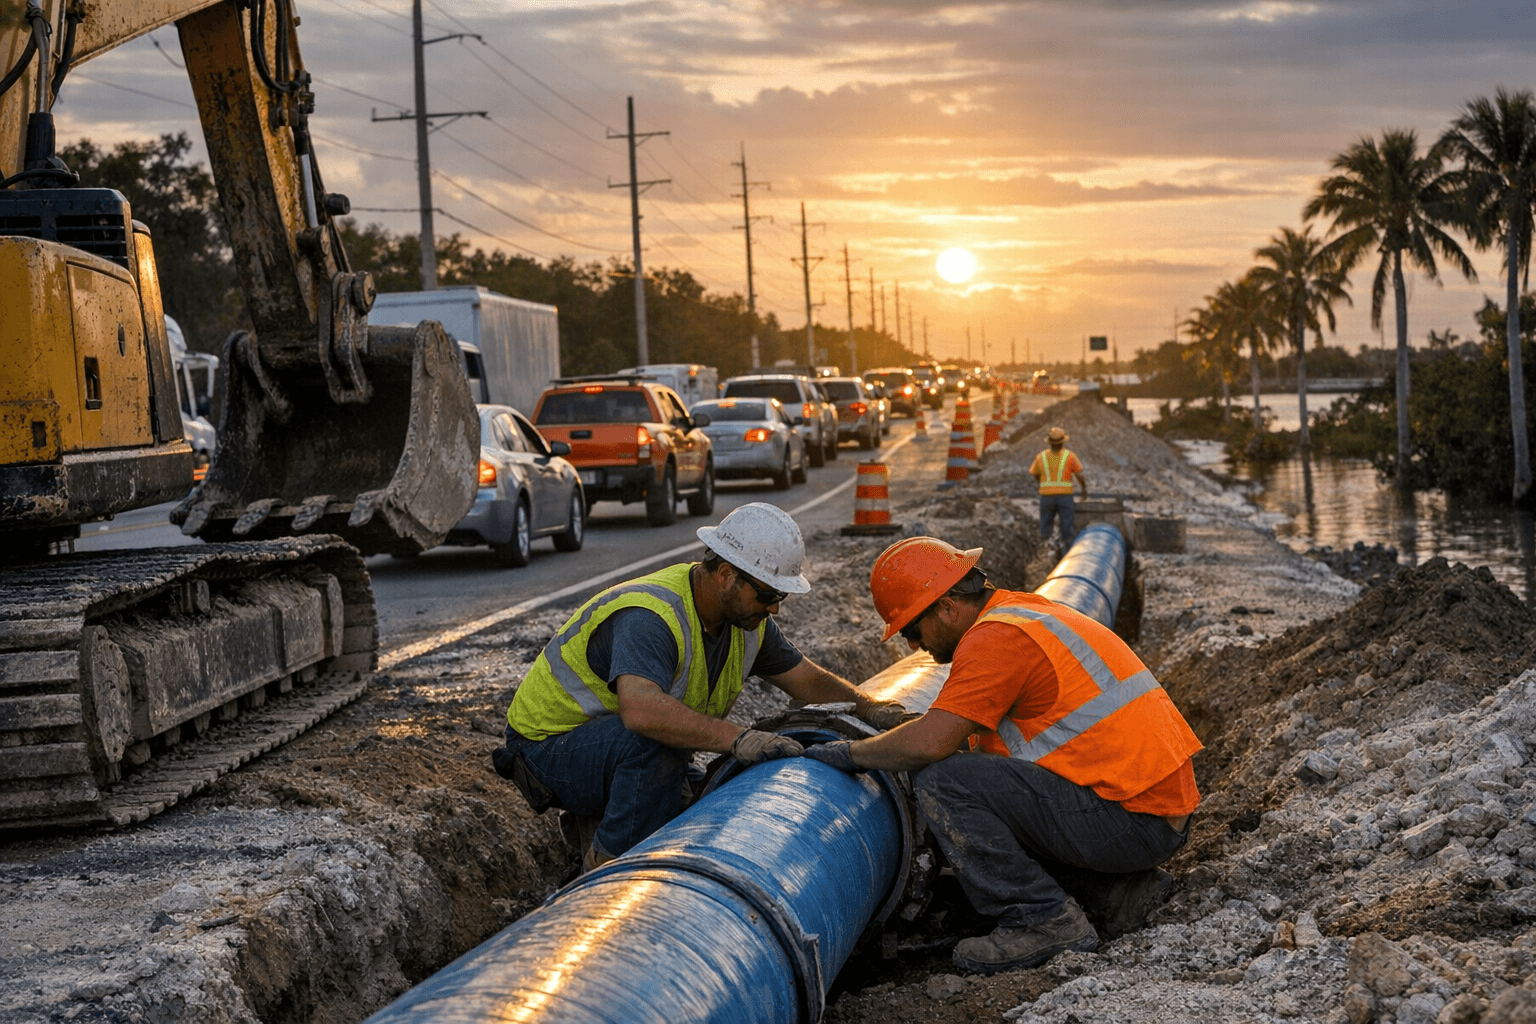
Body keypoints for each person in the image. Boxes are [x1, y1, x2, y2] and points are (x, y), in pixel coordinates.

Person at [804, 536, 1201, 975]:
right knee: (976, 809)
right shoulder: (1021, 613)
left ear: (947, 606)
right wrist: (911, 729)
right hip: (1150, 813)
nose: (915, 647)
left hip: (1132, 822)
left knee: (945, 782)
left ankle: (1042, 919)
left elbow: (933, 744)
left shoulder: (995, 638)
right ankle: (1115, 895)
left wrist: (853, 754)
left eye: (912, 631)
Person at [493, 502, 910, 871]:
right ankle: (603, 874)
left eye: (780, 598)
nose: (775, 608)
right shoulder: (651, 617)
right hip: (547, 749)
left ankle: (618, 830)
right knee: (652, 747)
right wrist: (739, 739)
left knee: (709, 796)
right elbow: (641, 712)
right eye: (767, 595)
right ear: (726, 575)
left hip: (610, 747)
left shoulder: (746, 624)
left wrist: (869, 708)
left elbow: (806, 679)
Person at [1029, 426, 1087, 544]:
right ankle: (1066, 549)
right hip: (1065, 497)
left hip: (1046, 497)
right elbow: (1079, 475)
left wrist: (1042, 483)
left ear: (1049, 442)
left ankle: (1045, 550)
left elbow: (1034, 473)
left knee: (1045, 527)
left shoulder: (1041, 456)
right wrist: (1084, 489)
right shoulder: (1069, 456)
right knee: (1067, 528)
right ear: (1063, 442)